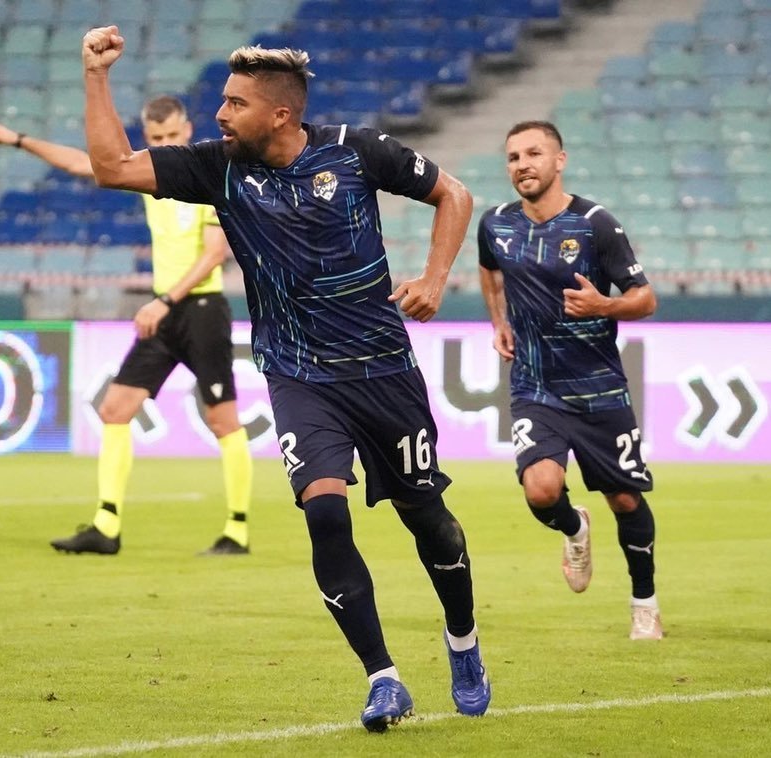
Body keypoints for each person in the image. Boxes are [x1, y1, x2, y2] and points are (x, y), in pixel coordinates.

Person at [79, 26, 491, 730]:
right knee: (324, 513)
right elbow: (113, 168)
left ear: (280, 114)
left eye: (234, 103)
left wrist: (433, 278)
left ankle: (463, 642)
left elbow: (454, 194)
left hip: (384, 371)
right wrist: (96, 75)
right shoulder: (217, 168)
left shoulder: (355, 151)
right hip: (299, 376)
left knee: (430, 522)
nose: (219, 114)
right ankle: (384, 679)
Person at [0, 96, 254, 557]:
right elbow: (82, 164)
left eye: (172, 135)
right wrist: (20, 140)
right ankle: (106, 526)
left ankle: (236, 531)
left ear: (187, 130)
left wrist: (164, 301)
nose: (165, 143)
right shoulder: (149, 173)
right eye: (157, 137)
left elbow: (214, 255)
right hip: (164, 311)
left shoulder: (207, 174)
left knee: (223, 420)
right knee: (115, 409)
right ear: (147, 137)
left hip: (201, 310)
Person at [476, 120, 663, 641]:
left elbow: (645, 298)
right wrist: (498, 321)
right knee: (541, 491)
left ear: (559, 161)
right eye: (513, 157)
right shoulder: (495, 223)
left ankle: (644, 602)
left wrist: (605, 305)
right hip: (535, 386)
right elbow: (489, 269)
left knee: (625, 500)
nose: (522, 164)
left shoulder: (595, 224)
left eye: (534, 153)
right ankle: (575, 528)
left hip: (598, 386)